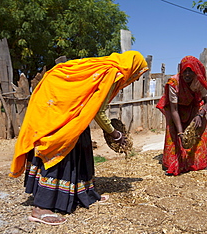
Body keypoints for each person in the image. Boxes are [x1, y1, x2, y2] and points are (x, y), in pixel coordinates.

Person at [10, 51, 148, 225]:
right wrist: (115, 133)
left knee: (80, 145)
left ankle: (84, 193)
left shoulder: (105, 68)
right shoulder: (111, 73)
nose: (135, 79)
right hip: (59, 109)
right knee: (59, 147)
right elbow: (98, 110)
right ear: (132, 68)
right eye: (137, 74)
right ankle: (41, 208)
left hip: (68, 108)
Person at [156, 55, 207, 176]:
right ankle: (173, 163)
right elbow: (174, 109)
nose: (187, 75)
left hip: (193, 107)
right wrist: (181, 132)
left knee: (200, 127)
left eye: (190, 71)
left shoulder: (198, 81)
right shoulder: (174, 83)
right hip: (176, 109)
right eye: (184, 71)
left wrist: (200, 115)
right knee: (174, 132)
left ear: (195, 72)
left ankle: (197, 162)